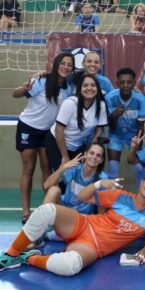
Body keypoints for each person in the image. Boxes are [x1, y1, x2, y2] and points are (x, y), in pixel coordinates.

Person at [0, 172, 145, 276]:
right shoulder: (121, 196)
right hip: (84, 224)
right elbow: (82, 197)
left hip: (92, 247)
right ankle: (11, 254)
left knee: (70, 266)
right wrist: (98, 184)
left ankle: (29, 258)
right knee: (47, 210)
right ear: (142, 182)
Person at [12, 52, 75, 224]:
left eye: (69, 65)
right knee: (28, 168)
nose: (65, 67)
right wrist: (23, 88)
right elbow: (15, 94)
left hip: (48, 133)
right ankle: (26, 213)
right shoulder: (41, 81)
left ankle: (45, 211)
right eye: (62, 63)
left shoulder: (69, 88)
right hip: (28, 128)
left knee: (48, 171)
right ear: (56, 65)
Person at [45, 73, 108, 172]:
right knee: (63, 177)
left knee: (79, 174)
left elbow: (98, 131)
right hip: (56, 142)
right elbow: (59, 130)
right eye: (85, 85)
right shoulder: (70, 103)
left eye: (93, 85)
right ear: (80, 88)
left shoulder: (101, 105)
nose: (89, 88)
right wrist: (65, 157)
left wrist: (89, 152)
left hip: (77, 145)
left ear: (97, 88)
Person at [106, 67, 145, 179]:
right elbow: (109, 125)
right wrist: (113, 116)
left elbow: (141, 126)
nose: (125, 85)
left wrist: (136, 145)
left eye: (129, 82)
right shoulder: (110, 97)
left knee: (139, 168)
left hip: (134, 136)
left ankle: (141, 193)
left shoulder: (141, 100)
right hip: (116, 135)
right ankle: (112, 195)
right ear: (117, 83)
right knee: (113, 169)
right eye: (122, 82)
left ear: (134, 83)